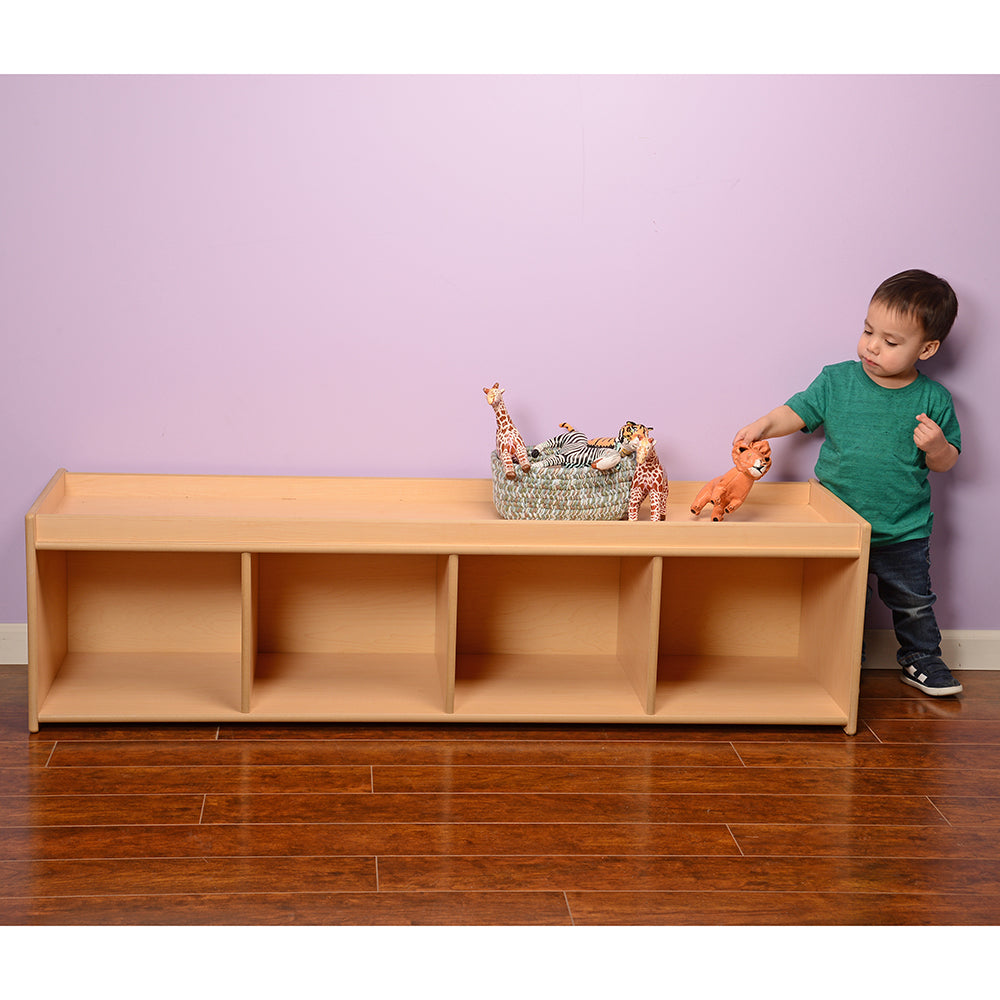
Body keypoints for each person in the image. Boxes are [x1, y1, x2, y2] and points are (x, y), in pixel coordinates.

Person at [734, 269, 963, 695]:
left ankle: (922, 659)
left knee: (913, 604)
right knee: (842, 601)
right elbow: (798, 410)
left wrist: (935, 446)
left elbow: (947, 462)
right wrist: (765, 424)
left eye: (891, 342)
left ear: (927, 348)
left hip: (903, 530)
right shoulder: (837, 380)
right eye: (868, 331)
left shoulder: (933, 399)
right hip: (836, 522)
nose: (872, 346)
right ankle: (841, 659)